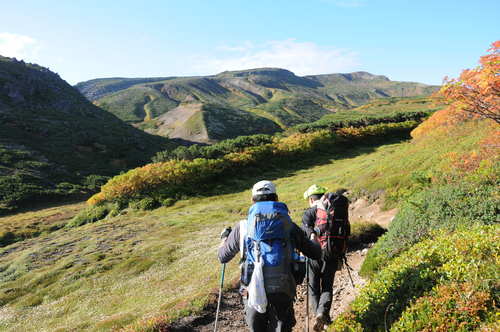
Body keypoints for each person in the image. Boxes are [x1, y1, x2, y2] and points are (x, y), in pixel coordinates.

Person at [218, 180, 321, 332]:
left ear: (252, 201)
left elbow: (223, 257)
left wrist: (224, 239)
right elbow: (315, 253)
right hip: (283, 286)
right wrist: (314, 237)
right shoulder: (288, 225)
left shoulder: (243, 227)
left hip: (252, 289)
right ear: (276, 199)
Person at [302, 184, 350, 331]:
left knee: (313, 287)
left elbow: (303, 235)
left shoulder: (309, 212)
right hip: (333, 252)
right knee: (327, 286)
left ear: (311, 199)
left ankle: (318, 315)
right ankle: (323, 314)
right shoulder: (336, 210)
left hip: (314, 254)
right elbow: (347, 230)